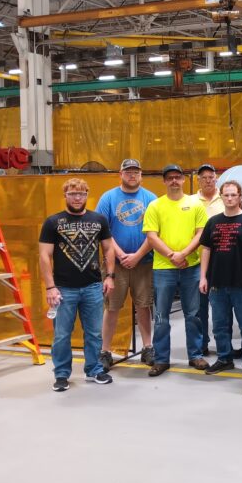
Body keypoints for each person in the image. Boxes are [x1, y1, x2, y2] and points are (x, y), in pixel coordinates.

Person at [38, 178, 115, 391]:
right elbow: (44, 256)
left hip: (93, 287)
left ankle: (94, 370)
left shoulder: (99, 220)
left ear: (87, 195)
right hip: (63, 289)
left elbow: (108, 249)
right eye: (72, 194)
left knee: (94, 333)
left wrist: (110, 276)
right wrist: (50, 287)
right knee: (62, 334)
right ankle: (62, 374)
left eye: (81, 193)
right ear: (65, 195)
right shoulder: (53, 222)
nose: (77, 198)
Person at [143, 163, 209, 376]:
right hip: (163, 269)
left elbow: (201, 233)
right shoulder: (155, 206)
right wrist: (173, 256)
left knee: (193, 314)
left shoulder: (195, 204)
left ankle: (195, 355)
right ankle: (161, 359)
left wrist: (184, 254)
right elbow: (151, 236)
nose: (174, 181)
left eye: (177, 177)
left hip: (191, 267)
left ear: (183, 179)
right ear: (164, 181)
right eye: (169, 177)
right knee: (161, 316)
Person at [95, 158, 157, 370]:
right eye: (128, 172)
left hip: (144, 262)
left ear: (141, 175)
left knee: (144, 305)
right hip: (115, 265)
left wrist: (137, 256)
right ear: (120, 174)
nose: (132, 175)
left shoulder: (151, 199)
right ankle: (105, 351)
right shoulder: (108, 198)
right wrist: (121, 255)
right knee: (111, 307)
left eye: (136, 172)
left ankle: (147, 347)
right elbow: (103, 231)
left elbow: (154, 233)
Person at [199, 180, 242, 376]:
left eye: (234, 195)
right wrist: (203, 277)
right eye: (226, 195)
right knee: (220, 326)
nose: (230, 198)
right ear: (221, 197)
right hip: (217, 284)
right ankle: (224, 358)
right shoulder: (213, 222)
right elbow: (206, 250)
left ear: (240, 197)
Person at [193, 163, 222, 356]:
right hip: (198, 262)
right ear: (198, 180)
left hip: (222, 262)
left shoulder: (225, 198)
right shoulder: (191, 201)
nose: (208, 180)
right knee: (199, 307)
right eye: (204, 177)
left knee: (223, 307)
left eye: (211, 177)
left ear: (216, 178)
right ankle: (202, 343)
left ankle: (224, 346)